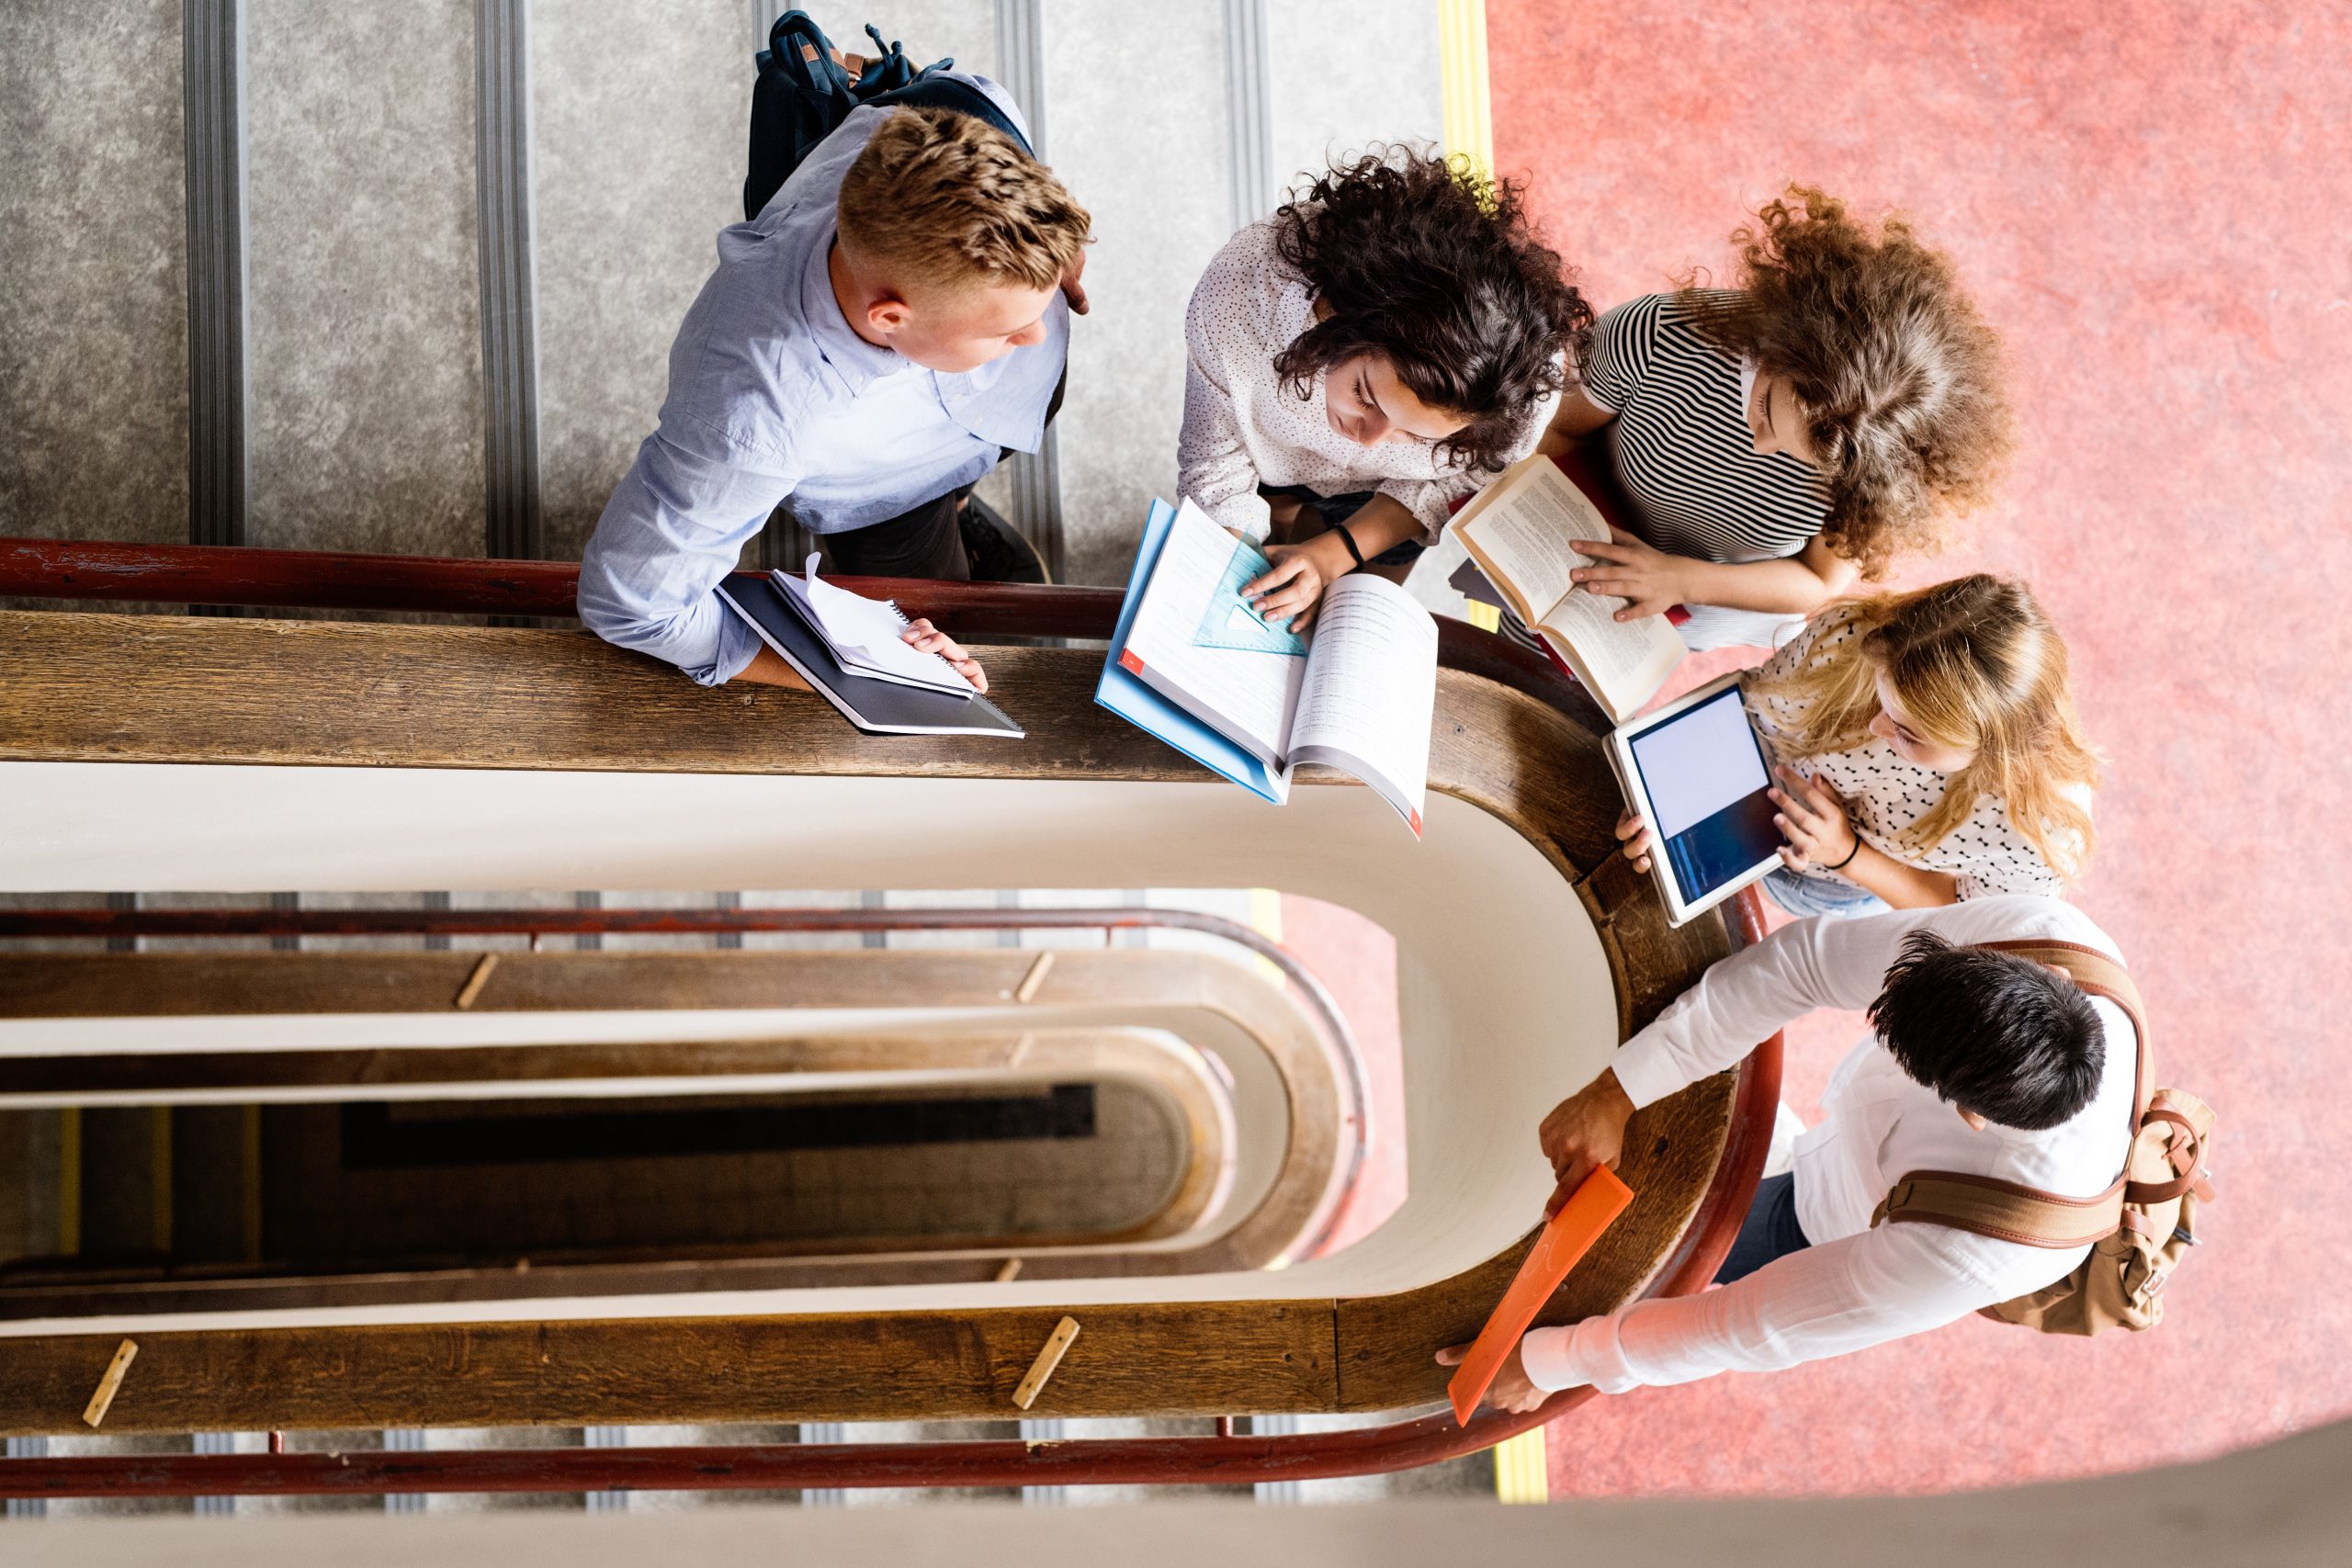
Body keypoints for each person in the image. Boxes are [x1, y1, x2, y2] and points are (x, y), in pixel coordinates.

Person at [1440, 896, 2132, 1407]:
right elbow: (1809, 963)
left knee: (1697, 1241)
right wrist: (1615, 1092)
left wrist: (1552, 1361)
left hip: (1820, 1217)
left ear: (1969, 1116)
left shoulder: (1969, 1254)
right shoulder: (2047, 935)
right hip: (1835, 1140)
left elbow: (1749, 1326)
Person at [578, 81, 1092, 694]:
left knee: (1021, 411)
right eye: (1007, 327)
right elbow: (632, 604)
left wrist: (1053, 249)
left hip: (981, 412)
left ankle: (957, 502)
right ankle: (943, 517)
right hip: (887, 499)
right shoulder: (752, 421)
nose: (1039, 335)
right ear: (890, 318)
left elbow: (977, 95)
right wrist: (847, 669)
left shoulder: (922, 136)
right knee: (933, 602)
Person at [1540, 186, 2012, 651]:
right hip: (1570, 547)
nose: (1761, 447)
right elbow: (1561, 431)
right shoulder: (1656, 335)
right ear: (1780, 334)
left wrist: (1680, 582)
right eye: (1765, 406)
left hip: (1699, 605)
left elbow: (1818, 580)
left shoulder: (1878, 460)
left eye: (1797, 456)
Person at [1178, 149, 1593, 630]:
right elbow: (1216, 461)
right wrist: (1235, 586)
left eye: (1419, 436)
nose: (1368, 438)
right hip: (1269, 455)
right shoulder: (1246, 289)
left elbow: (1456, 480)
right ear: (1338, 318)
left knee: (1341, 618)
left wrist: (1335, 555)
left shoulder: (1522, 393)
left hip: (1393, 500)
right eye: (1364, 397)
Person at [1615, 575, 2102, 917]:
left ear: (1997, 752)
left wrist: (1846, 854)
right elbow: (1751, 706)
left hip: (1837, 882)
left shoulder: (2041, 833)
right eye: (1881, 697)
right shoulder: (1852, 637)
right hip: (1744, 785)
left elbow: (1966, 917)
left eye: (1909, 734)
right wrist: (1664, 794)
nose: (1875, 729)